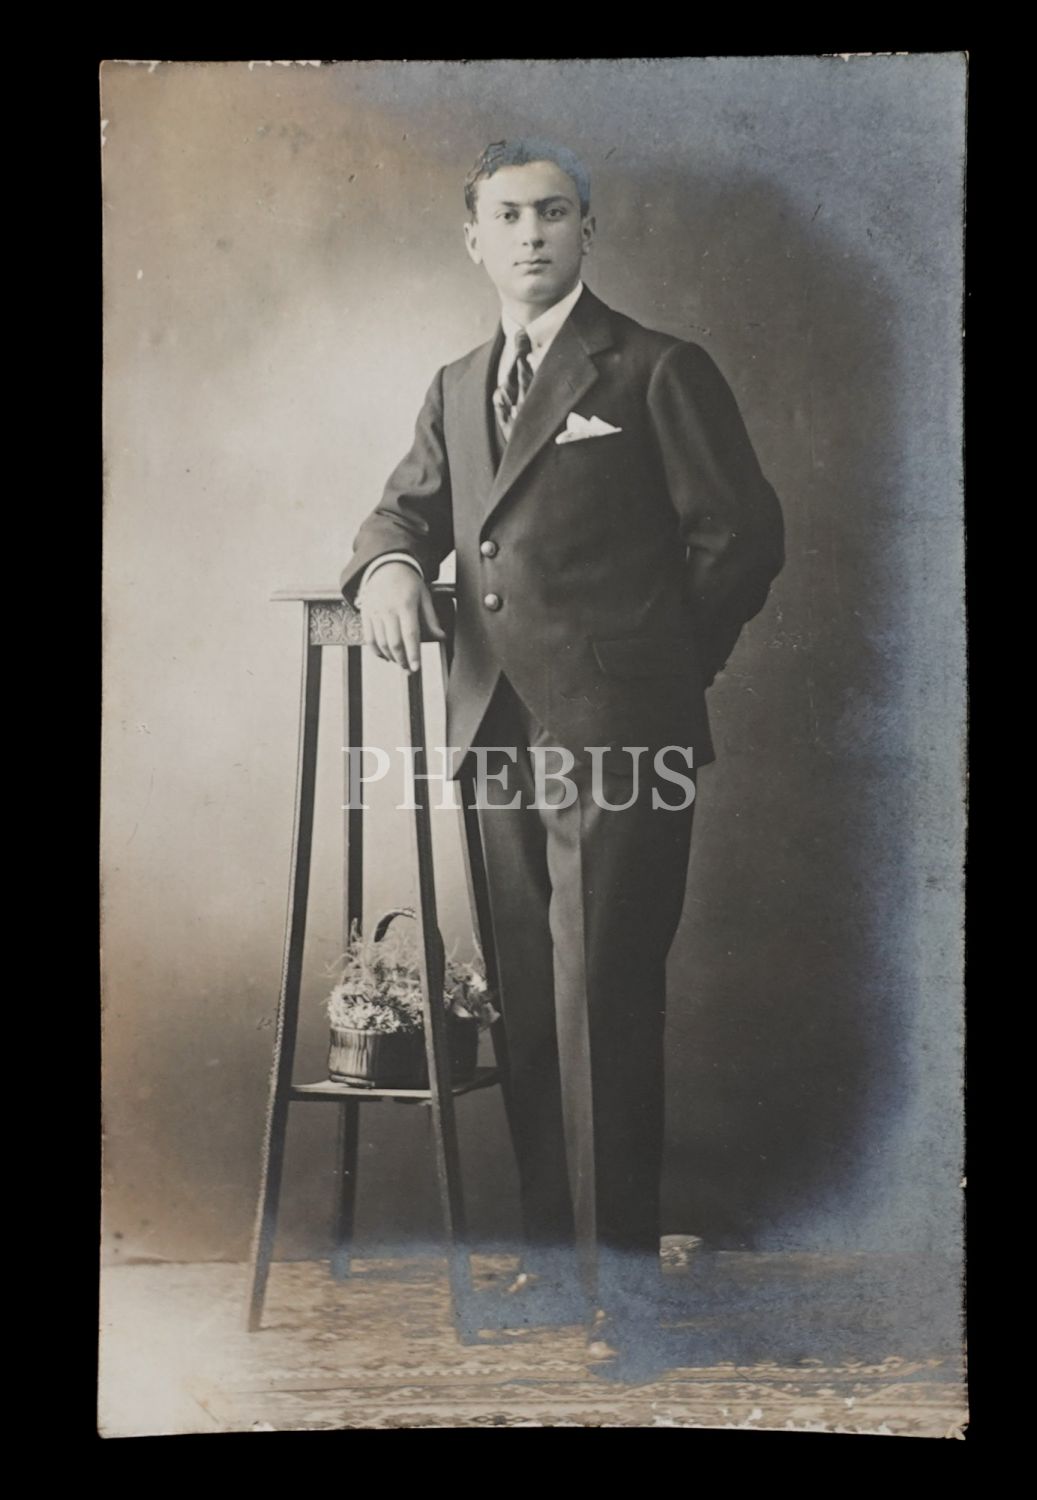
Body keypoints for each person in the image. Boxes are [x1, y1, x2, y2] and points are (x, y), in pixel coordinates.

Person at [340, 138, 784, 1370]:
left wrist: (652, 676)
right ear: (472, 239)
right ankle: (554, 1265)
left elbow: (740, 537)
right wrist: (387, 567)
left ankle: (621, 1296)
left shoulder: (653, 367)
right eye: (506, 216)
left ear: (587, 229)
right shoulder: (454, 384)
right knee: (531, 1003)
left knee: (602, 1000)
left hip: (614, 740)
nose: (529, 234)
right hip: (490, 731)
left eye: (551, 212)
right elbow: (402, 508)